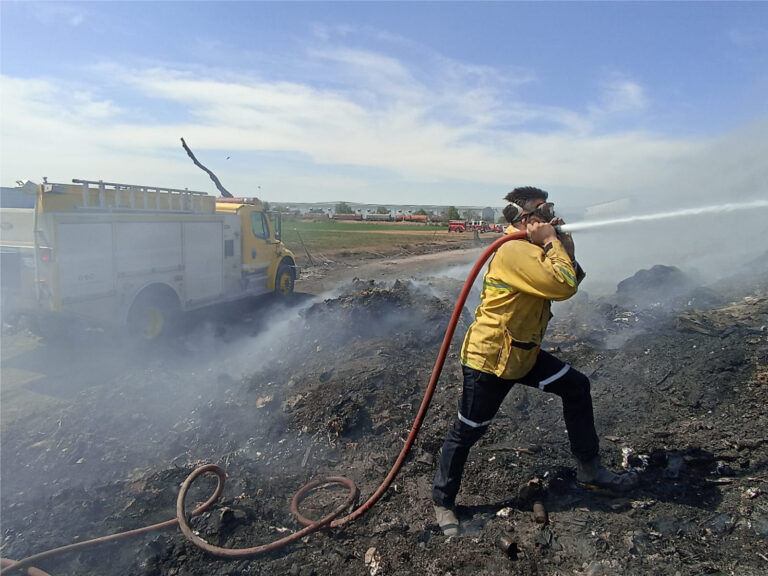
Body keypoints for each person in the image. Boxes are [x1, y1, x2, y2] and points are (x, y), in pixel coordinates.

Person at [432, 186, 638, 537]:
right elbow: (562, 285)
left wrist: (564, 246)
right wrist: (553, 243)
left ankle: (590, 469)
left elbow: (568, 278)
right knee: (468, 431)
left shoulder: (531, 248)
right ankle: (443, 502)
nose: (552, 215)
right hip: (491, 360)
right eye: (545, 210)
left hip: (522, 353)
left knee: (576, 387)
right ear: (526, 218)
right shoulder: (514, 251)